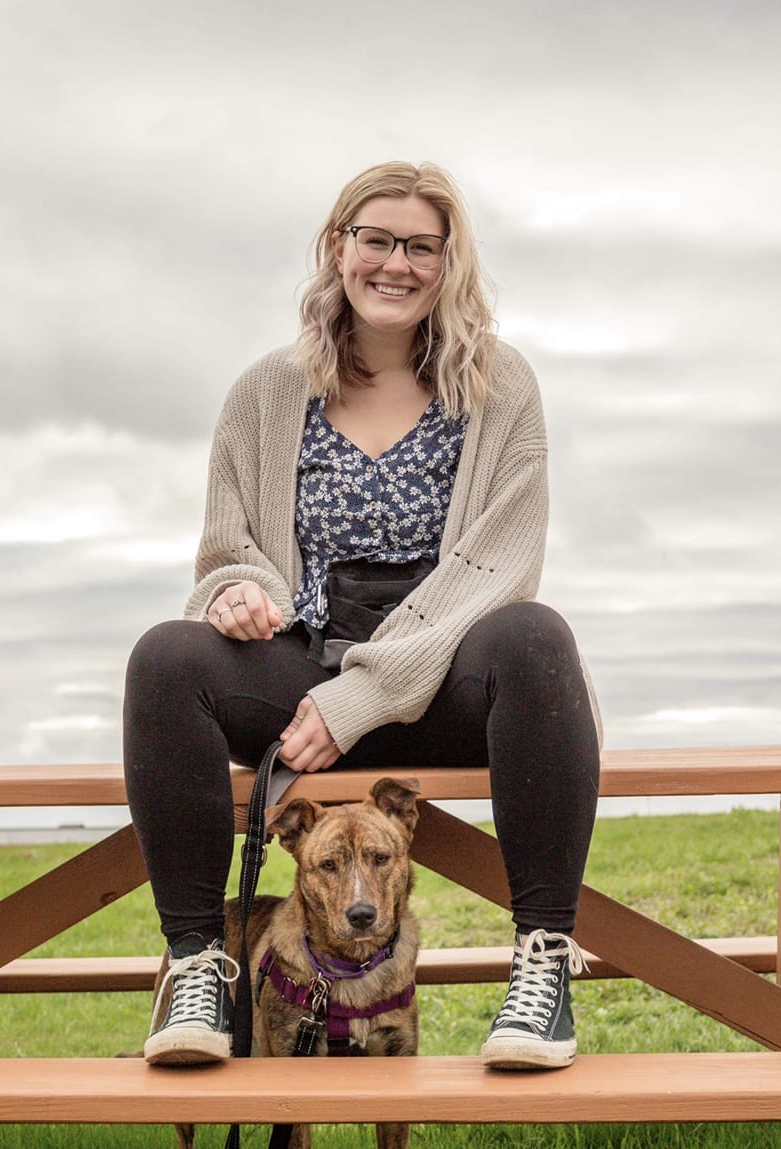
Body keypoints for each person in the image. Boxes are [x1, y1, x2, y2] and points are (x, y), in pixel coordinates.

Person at [123, 160, 602, 1072]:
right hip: (305, 680)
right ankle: (197, 963)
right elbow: (229, 544)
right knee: (166, 657)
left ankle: (542, 969)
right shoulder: (264, 391)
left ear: (449, 262)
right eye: (376, 239)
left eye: (422, 246)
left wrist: (364, 697)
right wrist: (238, 589)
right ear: (338, 248)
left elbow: (500, 568)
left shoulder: (503, 389)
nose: (397, 263)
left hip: (445, 683)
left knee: (538, 637)